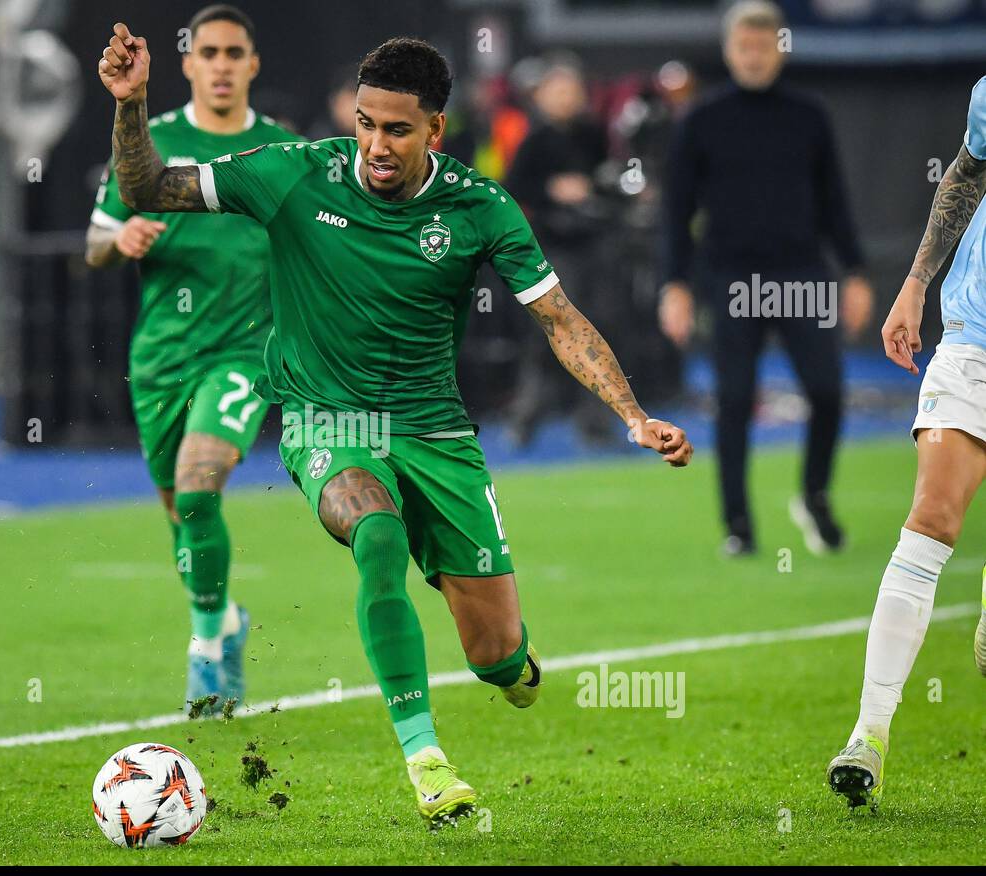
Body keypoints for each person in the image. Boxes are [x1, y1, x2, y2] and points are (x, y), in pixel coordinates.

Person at [99, 22, 694, 826]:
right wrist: (131, 106)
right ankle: (426, 757)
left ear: (436, 130)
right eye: (366, 125)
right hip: (326, 420)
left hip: (435, 433)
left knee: (496, 660)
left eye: (398, 129)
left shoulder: (479, 207)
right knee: (374, 535)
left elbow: (557, 318)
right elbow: (144, 188)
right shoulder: (292, 175)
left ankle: (512, 662)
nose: (376, 145)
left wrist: (633, 415)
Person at [84, 5, 296, 715]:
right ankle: (225, 618)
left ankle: (205, 647)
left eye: (236, 52)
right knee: (182, 514)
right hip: (161, 358)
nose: (223, 64)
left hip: (244, 353)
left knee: (200, 487)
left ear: (255, 64)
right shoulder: (151, 140)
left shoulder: (279, 152)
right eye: (210, 51)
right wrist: (125, 241)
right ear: (190, 62)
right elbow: (93, 245)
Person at [658, 0, 872, 557]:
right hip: (729, 277)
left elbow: (834, 201)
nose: (753, 57)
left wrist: (854, 272)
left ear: (781, 47)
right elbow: (676, 211)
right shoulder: (701, 120)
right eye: (743, 46)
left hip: (802, 273)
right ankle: (738, 525)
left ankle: (815, 497)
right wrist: (674, 284)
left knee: (827, 391)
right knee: (734, 398)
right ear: (729, 51)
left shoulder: (809, 114)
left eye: (763, 45)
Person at [826, 76, 986, 811]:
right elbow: (967, 171)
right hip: (975, 342)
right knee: (931, 520)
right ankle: (869, 733)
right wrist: (917, 281)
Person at [504, 55, 612, 446]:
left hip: (593, 244)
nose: (567, 98)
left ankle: (595, 424)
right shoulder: (532, 140)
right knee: (550, 333)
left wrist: (601, 187)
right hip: (551, 249)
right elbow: (511, 188)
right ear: (543, 95)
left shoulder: (593, 132)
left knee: (599, 331)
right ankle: (525, 418)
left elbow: (607, 177)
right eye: (559, 91)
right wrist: (553, 189)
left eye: (573, 91)